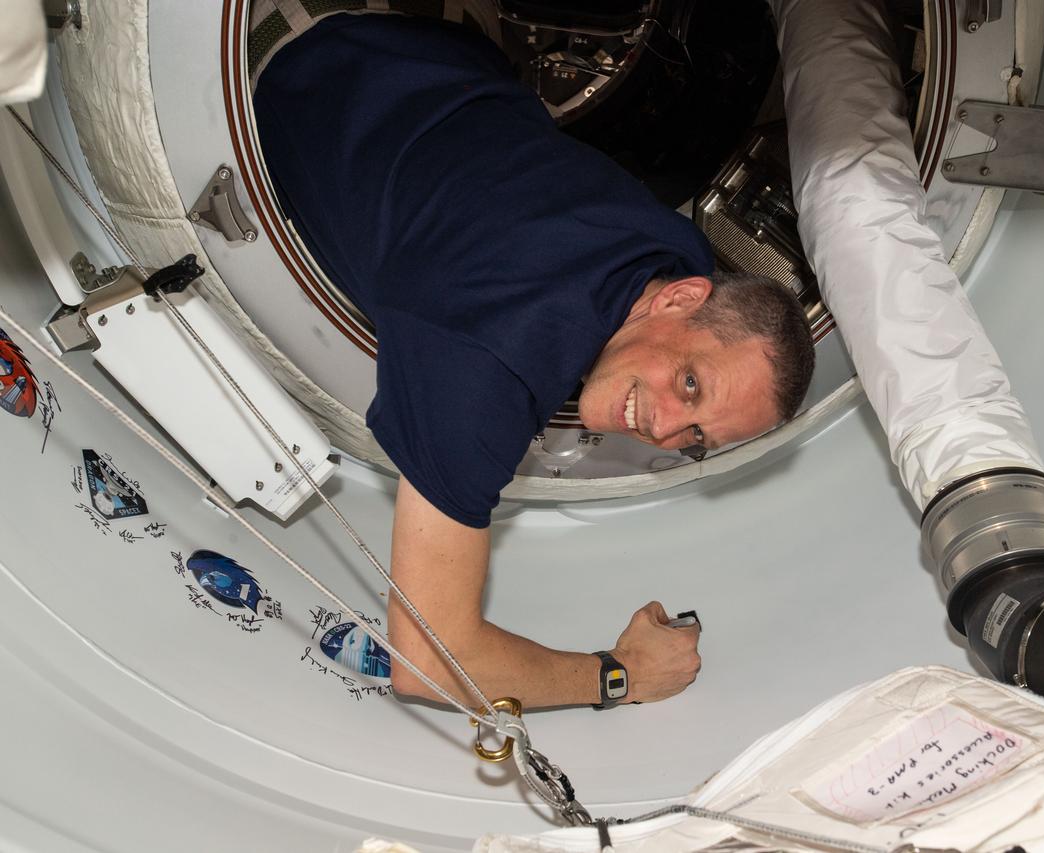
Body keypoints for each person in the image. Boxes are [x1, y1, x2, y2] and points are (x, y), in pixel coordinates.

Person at [253, 12, 814, 709]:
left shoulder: (675, 259)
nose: (664, 429)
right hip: (286, 74)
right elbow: (427, 659)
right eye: (690, 385)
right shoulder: (488, 367)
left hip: (436, 49)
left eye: (696, 439)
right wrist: (622, 675)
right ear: (680, 301)